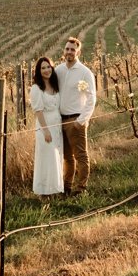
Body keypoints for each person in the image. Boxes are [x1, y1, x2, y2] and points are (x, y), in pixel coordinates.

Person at [54, 35, 96, 194]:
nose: (69, 52)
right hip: (60, 121)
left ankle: (81, 188)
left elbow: (91, 98)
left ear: (78, 52)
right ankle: (66, 187)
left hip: (76, 120)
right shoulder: (58, 70)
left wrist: (81, 121)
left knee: (81, 156)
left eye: (73, 49)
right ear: (64, 51)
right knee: (67, 158)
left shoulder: (85, 73)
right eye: (67, 49)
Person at [29, 56, 64, 197]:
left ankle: (55, 189)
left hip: (57, 126)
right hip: (46, 126)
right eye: (43, 68)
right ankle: (44, 192)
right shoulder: (36, 88)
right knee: (47, 158)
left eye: (48, 67)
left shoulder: (55, 85)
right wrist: (46, 131)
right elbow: (38, 111)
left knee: (56, 157)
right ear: (38, 71)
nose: (46, 70)